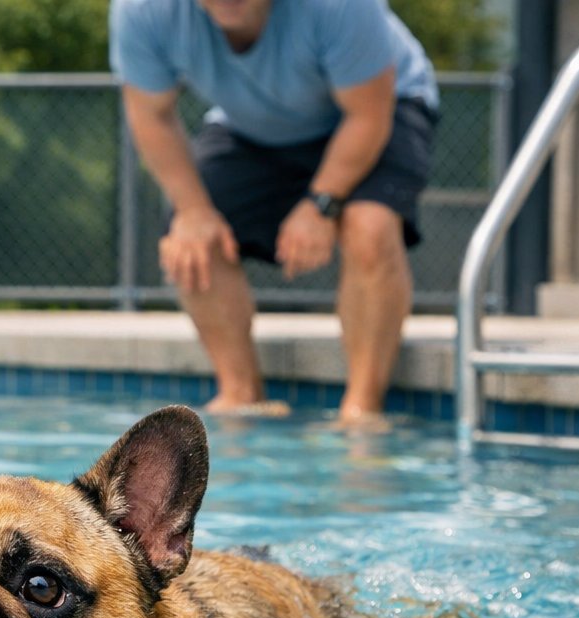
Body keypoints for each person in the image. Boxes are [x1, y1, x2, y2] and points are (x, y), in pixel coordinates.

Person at [110, 0, 439, 423]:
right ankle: (240, 393)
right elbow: (151, 115)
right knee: (189, 235)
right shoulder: (142, 9)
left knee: (369, 227)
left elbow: (367, 116)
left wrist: (320, 204)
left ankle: (363, 409)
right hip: (251, 124)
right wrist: (193, 211)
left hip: (381, 105)